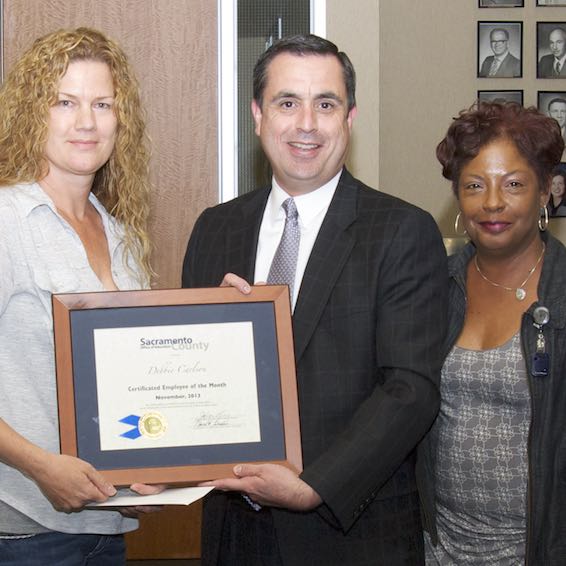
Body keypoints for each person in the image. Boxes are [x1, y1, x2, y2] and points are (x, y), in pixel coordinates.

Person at [182, 34, 448, 565]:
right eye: (287, 103)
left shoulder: (401, 230)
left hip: (351, 534)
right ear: (258, 116)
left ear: (349, 119)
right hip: (234, 533)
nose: (306, 124)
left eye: (325, 104)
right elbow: (191, 375)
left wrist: (315, 486)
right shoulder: (215, 228)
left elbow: (410, 389)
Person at [0, 28, 159, 565]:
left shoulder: (122, 237)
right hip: (20, 531)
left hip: (105, 528)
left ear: (122, 120)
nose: (86, 122)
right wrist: (42, 465)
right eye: (64, 102)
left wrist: (159, 464)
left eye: (102, 104)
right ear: (33, 112)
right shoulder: (5, 221)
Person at [421, 101, 566, 564]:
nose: (493, 202)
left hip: (536, 549)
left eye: (514, 184)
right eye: (475, 185)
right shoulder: (432, 289)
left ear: (546, 192)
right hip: (437, 545)